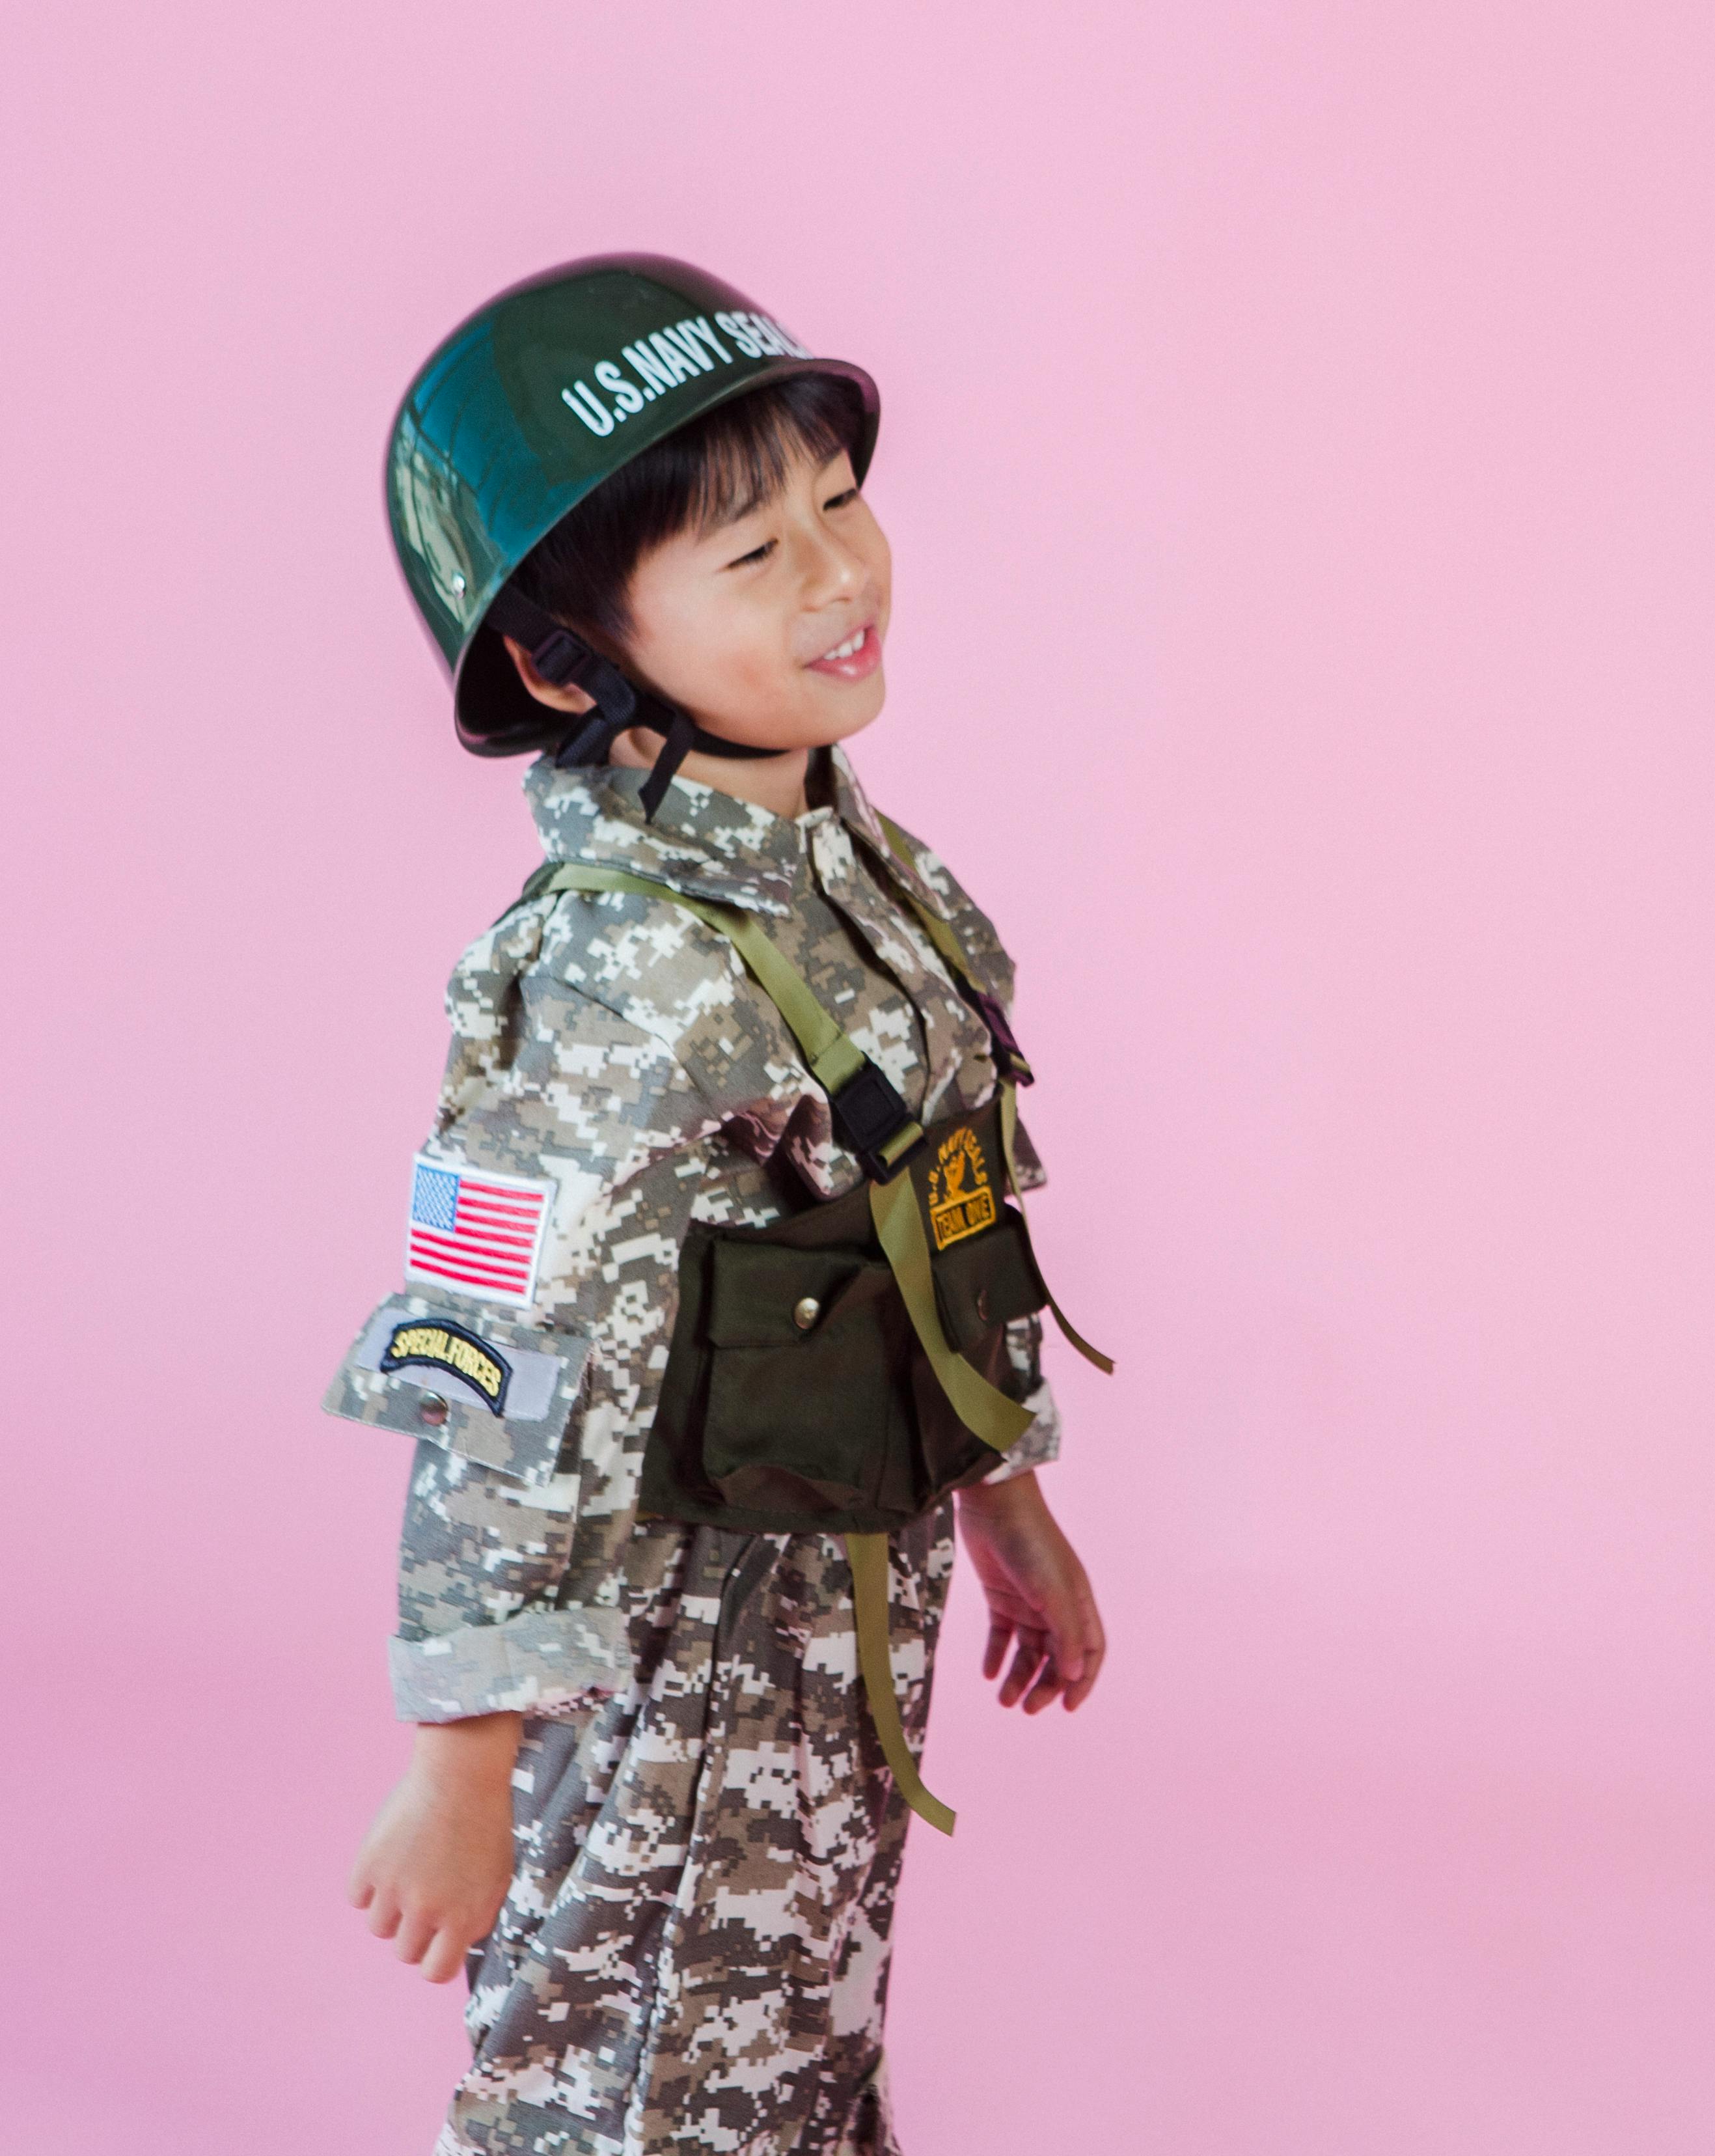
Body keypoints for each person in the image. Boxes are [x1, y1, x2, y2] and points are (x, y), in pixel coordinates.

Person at [331, 256, 1110, 2155]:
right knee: (637, 2097)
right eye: (752, 557)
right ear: (559, 658)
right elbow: (490, 1357)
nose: (837, 577)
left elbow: (944, 1201)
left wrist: (1009, 1496)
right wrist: (465, 1749)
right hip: (667, 1678)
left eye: (837, 507)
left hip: (840, 1634)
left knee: (802, 2065)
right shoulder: (602, 980)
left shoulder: (868, 875)